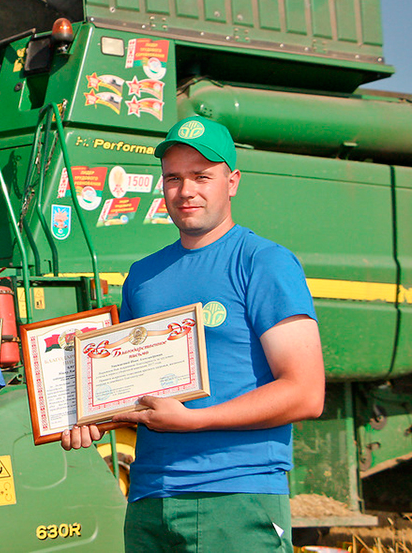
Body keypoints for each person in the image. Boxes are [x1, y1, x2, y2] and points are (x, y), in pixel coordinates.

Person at [61, 116, 325, 552]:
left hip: (235, 497)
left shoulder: (263, 262)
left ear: (232, 181)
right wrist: (85, 418)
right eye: (173, 178)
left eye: (202, 176)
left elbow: (306, 392)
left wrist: (194, 420)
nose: (186, 191)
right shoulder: (143, 277)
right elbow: (125, 388)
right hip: (149, 498)